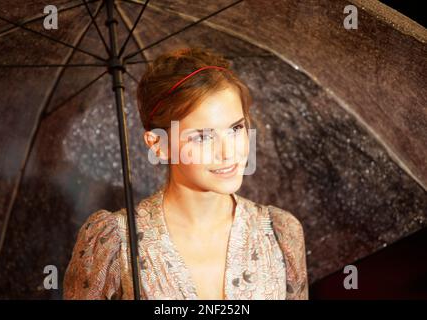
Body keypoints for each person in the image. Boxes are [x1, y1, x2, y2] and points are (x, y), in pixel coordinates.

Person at [63, 47, 308, 300]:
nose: (228, 152)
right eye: (202, 137)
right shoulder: (115, 243)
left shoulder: (280, 233)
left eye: (235, 128)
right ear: (159, 145)